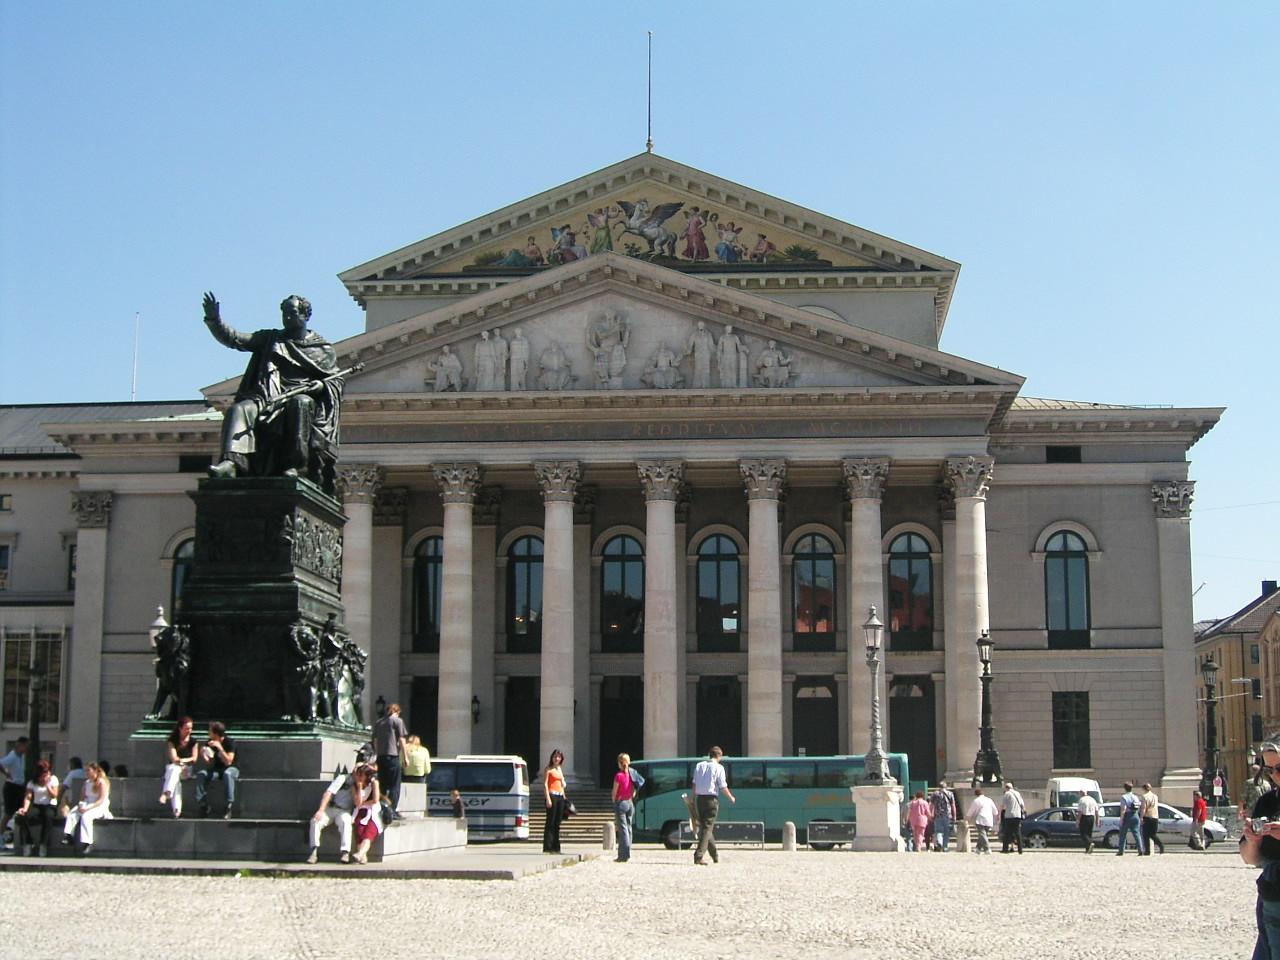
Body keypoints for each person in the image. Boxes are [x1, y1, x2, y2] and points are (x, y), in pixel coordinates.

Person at [201, 292, 344, 488]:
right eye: (284, 313)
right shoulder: (269, 338)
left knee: (300, 403)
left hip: (299, 400)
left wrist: (320, 386)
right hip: (267, 397)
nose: (287, 317)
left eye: (292, 313)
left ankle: (293, 465)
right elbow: (234, 339)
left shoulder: (322, 350)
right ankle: (231, 462)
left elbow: (335, 382)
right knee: (239, 409)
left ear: (306, 315)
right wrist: (214, 320)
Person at [1241, 741, 1280, 958]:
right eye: (1269, 770)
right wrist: (1253, 840)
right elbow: (1250, 858)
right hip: (1272, 889)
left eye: (1279, 768)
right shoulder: (1267, 801)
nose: (1275, 776)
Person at [691, 746, 737, 866]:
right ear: (719, 756)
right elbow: (723, 786)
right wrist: (731, 797)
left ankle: (714, 855)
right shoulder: (719, 767)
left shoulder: (699, 765)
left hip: (699, 799)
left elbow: (694, 784)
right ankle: (698, 856)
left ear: (709, 754)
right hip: (711, 800)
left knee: (706, 827)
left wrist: (692, 798)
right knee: (707, 828)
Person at [307, 767, 356, 864]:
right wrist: (321, 810)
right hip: (331, 808)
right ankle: (314, 851)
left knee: (346, 822)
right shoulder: (343, 778)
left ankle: (345, 852)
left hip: (344, 811)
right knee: (315, 821)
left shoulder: (362, 783)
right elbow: (328, 793)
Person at [62, 762, 111, 855]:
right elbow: (82, 797)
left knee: (86, 816)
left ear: (95, 771)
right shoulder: (87, 783)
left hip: (98, 806)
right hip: (87, 803)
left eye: (89, 770)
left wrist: (88, 808)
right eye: (86, 771)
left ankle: (87, 842)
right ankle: (68, 835)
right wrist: (81, 805)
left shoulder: (102, 782)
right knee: (73, 813)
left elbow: (101, 800)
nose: (87, 773)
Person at [195, 720, 239, 819]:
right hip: (217, 769)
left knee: (227, 774)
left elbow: (229, 762)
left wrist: (220, 747)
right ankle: (203, 805)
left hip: (231, 769)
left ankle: (228, 806)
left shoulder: (229, 742)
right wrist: (204, 754)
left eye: (210, 731)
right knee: (201, 774)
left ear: (216, 734)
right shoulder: (210, 743)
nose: (208, 733)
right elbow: (210, 762)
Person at [15, 760, 59, 856]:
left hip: (50, 805)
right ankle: (28, 842)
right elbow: (28, 797)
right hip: (37, 805)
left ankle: (43, 844)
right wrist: (24, 809)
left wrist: (47, 785)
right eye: (43, 772)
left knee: (48, 816)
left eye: (47, 771)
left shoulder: (53, 779)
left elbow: (54, 795)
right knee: (24, 817)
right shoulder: (32, 782)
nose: (45, 774)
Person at [158, 716, 199, 818]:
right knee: (175, 774)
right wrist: (181, 763)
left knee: (174, 770)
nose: (189, 731)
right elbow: (174, 758)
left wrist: (182, 762)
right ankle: (177, 810)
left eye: (191, 728)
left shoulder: (193, 742)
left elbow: (194, 758)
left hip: (187, 770)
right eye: (186, 728)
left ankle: (166, 793)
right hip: (175, 768)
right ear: (180, 728)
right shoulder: (172, 741)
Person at [373, 703, 408, 818]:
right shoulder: (397, 721)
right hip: (392, 756)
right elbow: (402, 740)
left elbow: (375, 741)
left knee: (382, 784)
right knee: (394, 785)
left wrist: (377, 754)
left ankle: (382, 808)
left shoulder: (379, 722)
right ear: (397, 712)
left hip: (381, 757)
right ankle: (392, 810)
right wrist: (405, 757)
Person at [350, 764, 382, 865]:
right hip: (361, 811)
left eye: (361, 775)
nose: (359, 777)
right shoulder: (355, 786)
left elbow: (375, 799)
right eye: (358, 775)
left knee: (369, 833)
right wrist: (359, 788)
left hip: (373, 812)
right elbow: (357, 803)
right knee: (359, 832)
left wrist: (364, 803)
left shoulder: (374, 783)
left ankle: (360, 854)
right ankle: (362, 856)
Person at [611, 752, 637, 863]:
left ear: (620, 763)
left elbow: (614, 791)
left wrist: (614, 800)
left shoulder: (619, 776)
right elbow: (635, 790)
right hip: (630, 803)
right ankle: (628, 852)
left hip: (621, 802)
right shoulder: (632, 775)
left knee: (623, 830)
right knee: (629, 828)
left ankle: (623, 855)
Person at [0, 737, 29, 835]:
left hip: (20, 786)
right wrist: (6, 773)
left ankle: (19, 835)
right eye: (26, 746)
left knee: (22, 811)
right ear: (20, 745)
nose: (27, 749)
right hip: (11, 787)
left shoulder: (22, 756)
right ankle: (0, 836)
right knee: (8, 813)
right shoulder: (12, 756)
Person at [542, 748, 568, 854]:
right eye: (555, 757)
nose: (556, 759)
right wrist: (548, 798)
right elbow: (545, 784)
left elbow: (561, 785)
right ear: (552, 758)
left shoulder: (559, 770)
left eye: (558, 757)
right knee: (550, 822)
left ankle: (556, 847)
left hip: (560, 796)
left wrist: (564, 797)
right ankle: (548, 847)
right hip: (552, 795)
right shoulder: (548, 769)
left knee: (557, 823)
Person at [966, 787, 998, 854]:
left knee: (982, 834)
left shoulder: (976, 800)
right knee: (983, 835)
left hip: (980, 819)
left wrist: (967, 818)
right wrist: (996, 819)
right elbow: (995, 811)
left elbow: (971, 811)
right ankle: (978, 849)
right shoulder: (989, 800)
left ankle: (987, 849)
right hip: (989, 819)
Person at [1116, 781, 1145, 856]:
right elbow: (1139, 806)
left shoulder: (1124, 797)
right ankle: (1140, 850)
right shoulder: (1135, 797)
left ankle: (1121, 851)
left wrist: (1121, 819)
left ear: (1125, 788)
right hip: (1135, 815)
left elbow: (1123, 809)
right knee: (1137, 834)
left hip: (1127, 816)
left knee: (1123, 834)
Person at [930, 781, 957, 851]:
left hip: (938, 814)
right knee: (946, 832)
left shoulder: (935, 794)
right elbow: (953, 805)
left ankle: (940, 842)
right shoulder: (950, 794)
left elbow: (931, 805)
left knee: (938, 830)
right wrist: (954, 816)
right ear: (946, 786)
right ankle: (945, 847)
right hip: (948, 815)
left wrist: (931, 814)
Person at [1000, 781, 1027, 853]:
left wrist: (1001, 813)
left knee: (1007, 833)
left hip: (1009, 815)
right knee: (1017, 832)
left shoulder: (1007, 794)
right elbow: (1022, 804)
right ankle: (1020, 849)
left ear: (1006, 788)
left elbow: (1003, 805)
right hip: (1017, 815)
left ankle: (1005, 849)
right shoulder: (1017, 793)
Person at [1139, 783, 1164, 854]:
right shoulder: (1155, 796)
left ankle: (1148, 850)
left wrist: (1141, 817)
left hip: (1147, 816)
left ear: (1143, 789)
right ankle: (1160, 845)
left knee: (1146, 835)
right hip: (1155, 816)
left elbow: (1143, 808)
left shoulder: (1144, 796)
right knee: (1153, 834)